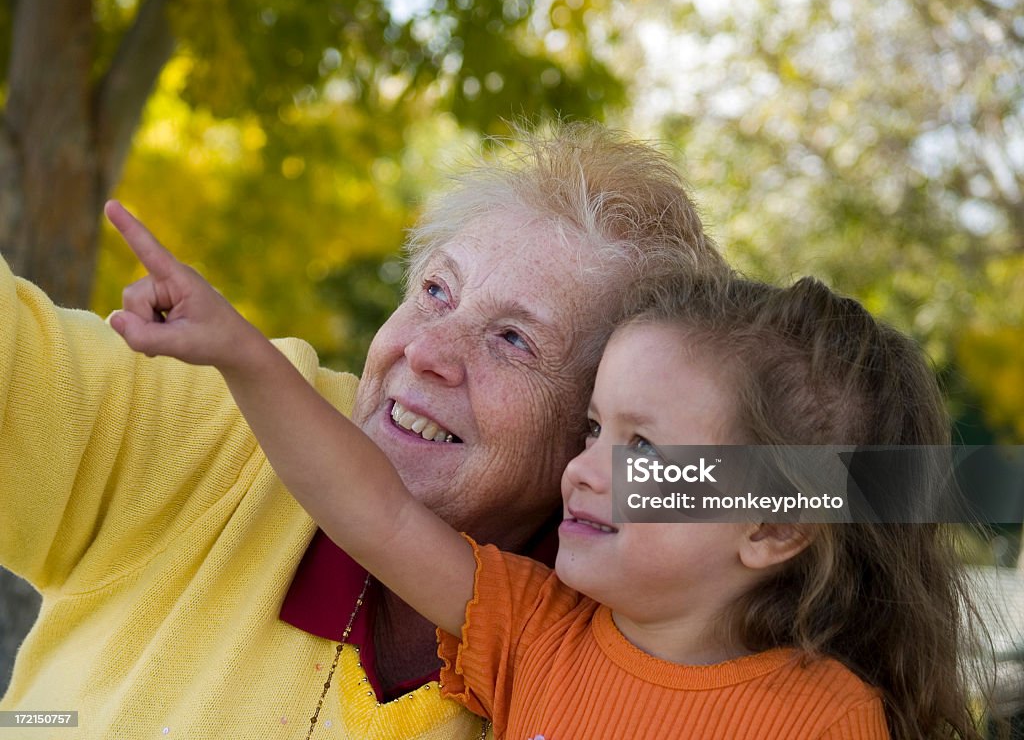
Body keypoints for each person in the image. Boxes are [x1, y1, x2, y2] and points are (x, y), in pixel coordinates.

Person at [106, 203, 983, 740]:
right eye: (594, 428)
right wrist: (240, 353)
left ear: (772, 523)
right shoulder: (535, 631)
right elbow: (374, 512)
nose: (584, 470)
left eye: (642, 451)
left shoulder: (820, 719)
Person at [0, 123, 723, 738]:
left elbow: (825, 485)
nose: (427, 352)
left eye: (513, 340)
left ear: (592, 426)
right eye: (435, 291)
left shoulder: (620, 631)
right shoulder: (224, 412)